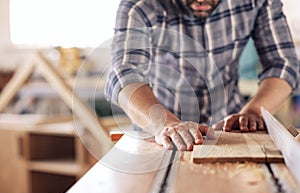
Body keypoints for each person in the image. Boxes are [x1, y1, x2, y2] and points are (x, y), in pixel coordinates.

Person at [105, 0, 300, 151]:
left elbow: (283, 64)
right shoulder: (140, 5)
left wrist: (254, 112)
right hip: (160, 131)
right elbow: (124, 73)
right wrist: (166, 125)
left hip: (230, 132)